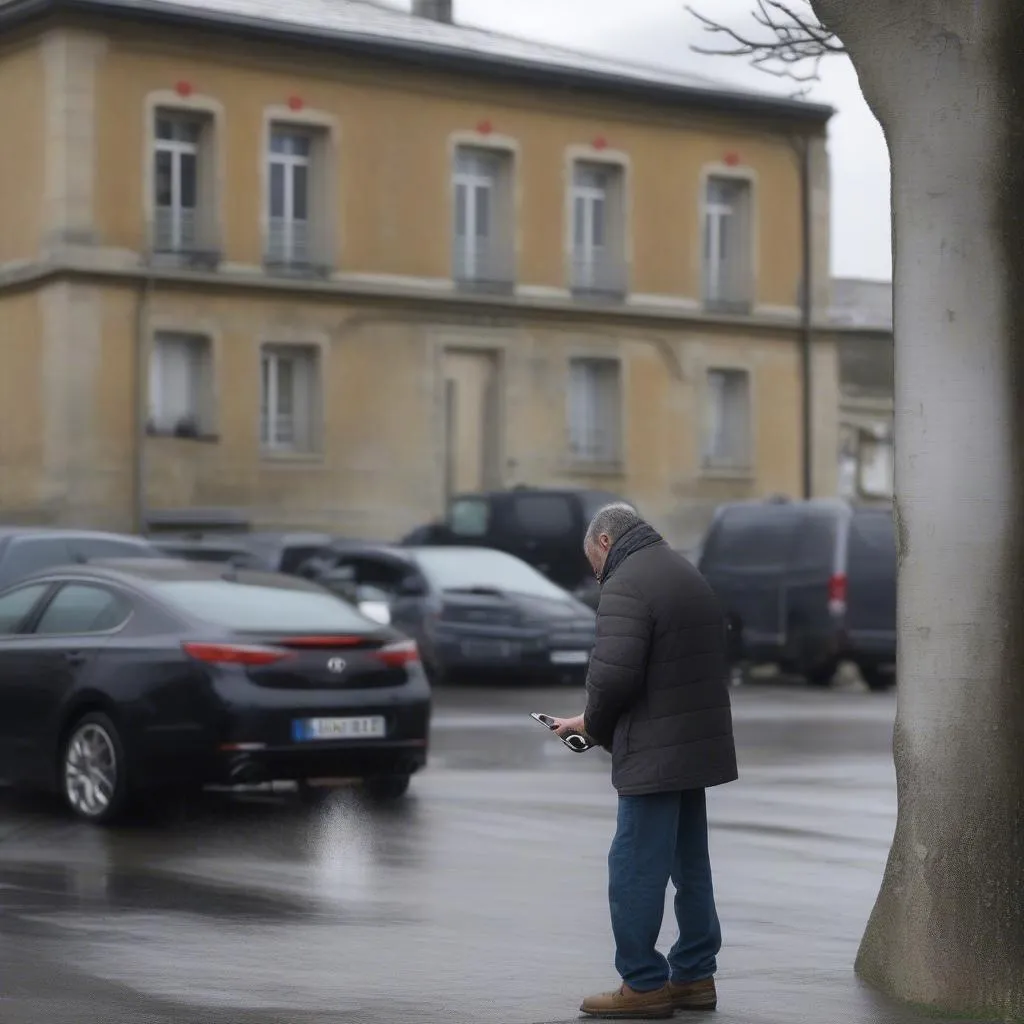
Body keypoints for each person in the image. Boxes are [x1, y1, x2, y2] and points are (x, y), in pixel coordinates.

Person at [549, 503, 737, 1020]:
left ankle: (643, 983)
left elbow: (613, 677)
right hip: (693, 744)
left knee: (633, 867)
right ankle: (695, 975)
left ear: (605, 543)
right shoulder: (682, 571)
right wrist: (587, 722)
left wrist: (596, 726)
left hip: (654, 752)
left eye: (594, 563)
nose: (597, 574)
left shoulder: (627, 582)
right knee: (689, 865)